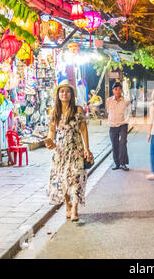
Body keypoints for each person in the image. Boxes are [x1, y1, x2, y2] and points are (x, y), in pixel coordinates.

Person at [45, 80, 93, 222]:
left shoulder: (78, 110)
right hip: (60, 151)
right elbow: (51, 132)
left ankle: (75, 209)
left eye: (67, 91)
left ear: (71, 94)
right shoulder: (54, 111)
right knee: (63, 180)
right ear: (58, 94)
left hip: (76, 149)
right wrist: (49, 142)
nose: (64, 94)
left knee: (76, 178)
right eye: (62, 91)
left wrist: (87, 148)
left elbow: (83, 129)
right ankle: (67, 205)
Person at [107, 82, 131, 171]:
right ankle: (117, 164)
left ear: (121, 90)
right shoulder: (109, 100)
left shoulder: (126, 101)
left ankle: (123, 163)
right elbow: (108, 112)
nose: (117, 91)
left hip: (123, 125)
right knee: (115, 144)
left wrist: (127, 121)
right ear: (113, 90)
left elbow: (129, 112)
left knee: (123, 143)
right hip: (112, 126)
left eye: (119, 89)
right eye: (115, 89)